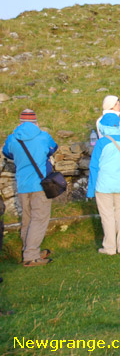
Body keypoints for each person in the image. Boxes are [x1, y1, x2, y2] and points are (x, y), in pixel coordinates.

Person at [2, 109, 57, 266]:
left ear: (20, 122)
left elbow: (7, 153)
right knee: (39, 219)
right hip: (40, 183)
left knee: (27, 219)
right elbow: (54, 148)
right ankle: (31, 256)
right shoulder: (43, 136)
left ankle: (28, 249)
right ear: (35, 122)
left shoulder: (13, 138)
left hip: (22, 184)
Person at [87, 114, 120, 254]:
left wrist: (91, 190)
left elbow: (94, 167)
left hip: (103, 185)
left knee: (107, 216)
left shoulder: (101, 143)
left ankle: (109, 247)